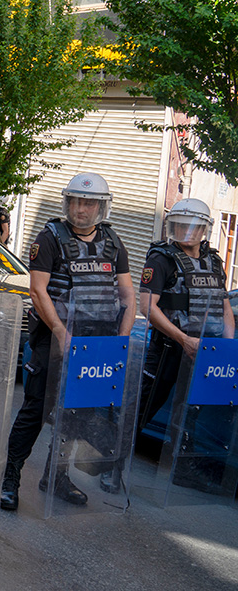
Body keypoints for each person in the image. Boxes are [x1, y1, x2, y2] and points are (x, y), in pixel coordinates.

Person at [0, 173, 135, 512]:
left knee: (79, 412)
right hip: (55, 341)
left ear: (101, 207)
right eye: (76, 201)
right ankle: (10, 478)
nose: (81, 209)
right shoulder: (49, 239)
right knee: (35, 410)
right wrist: (61, 333)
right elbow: (37, 290)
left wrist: (121, 339)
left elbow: (128, 294)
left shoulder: (114, 242)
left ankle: (56, 476)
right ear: (67, 203)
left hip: (97, 344)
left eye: (89, 203)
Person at [137, 197, 235, 490]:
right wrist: (182, 338)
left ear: (204, 229)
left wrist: (225, 349)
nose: (186, 231)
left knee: (190, 408)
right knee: (145, 404)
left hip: (205, 350)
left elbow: (225, 307)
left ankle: (181, 467)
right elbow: (147, 307)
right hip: (169, 348)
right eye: (180, 224)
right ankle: (111, 464)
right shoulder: (161, 259)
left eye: (193, 226)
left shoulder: (214, 261)